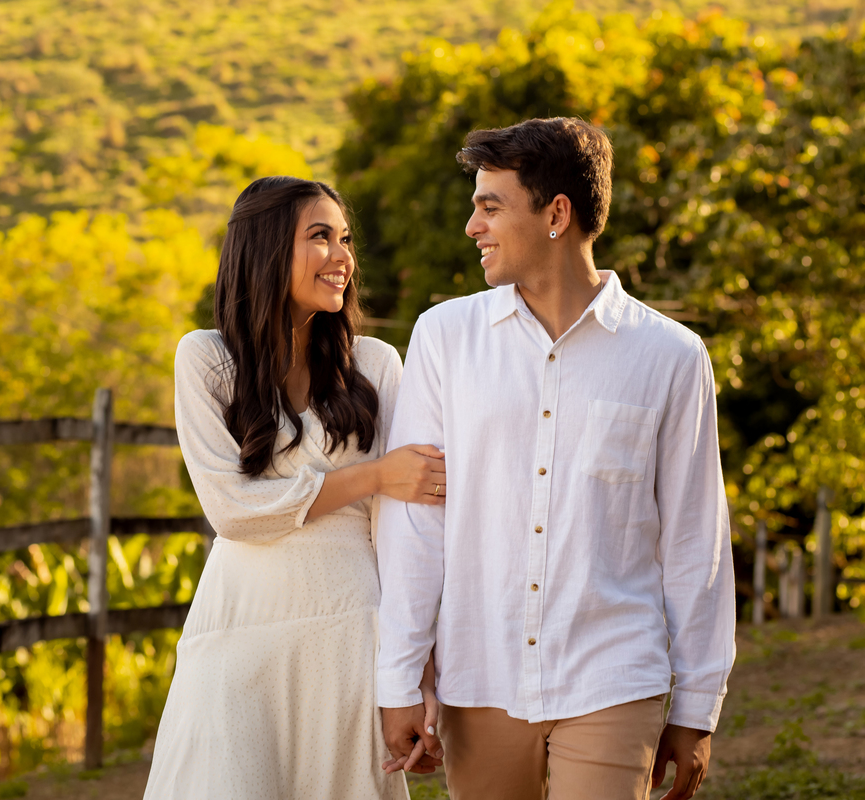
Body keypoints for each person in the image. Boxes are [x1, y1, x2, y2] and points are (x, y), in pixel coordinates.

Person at [376, 118, 736, 800]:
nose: (472, 227)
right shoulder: (444, 338)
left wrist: (697, 705)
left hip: (613, 676)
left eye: (490, 207)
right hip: (479, 675)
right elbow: (416, 521)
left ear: (556, 215)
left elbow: (696, 542)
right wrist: (399, 678)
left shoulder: (671, 356)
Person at [144, 176, 445, 799]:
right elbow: (233, 512)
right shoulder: (206, 360)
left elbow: (405, 532)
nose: (342, 257)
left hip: (351, 631)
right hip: (240, 631)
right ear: (266, 248)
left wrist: (419, 675)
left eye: (345, 239)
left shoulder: (376, 364)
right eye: (320, 237)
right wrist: (373, 476)